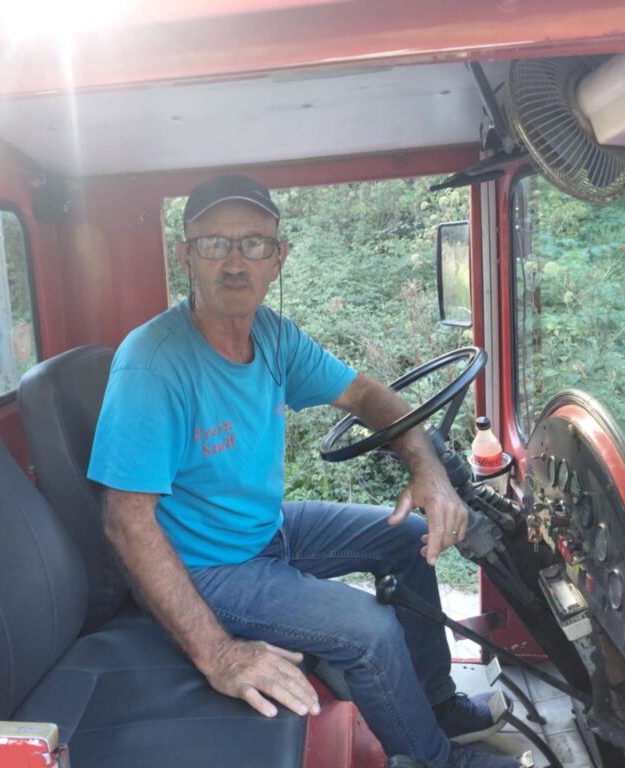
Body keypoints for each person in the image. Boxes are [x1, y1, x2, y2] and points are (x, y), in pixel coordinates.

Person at [88, 174, 523, 768]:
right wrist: (218, 654)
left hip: (265, 528)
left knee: (410, 539)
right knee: (368, 632)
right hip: (207, 565)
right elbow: (125, 521)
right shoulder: (152, 365)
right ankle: (435, 761)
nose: (234, 262)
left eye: (253, 243)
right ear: (186, 256)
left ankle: (435, 704)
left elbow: (367, 395)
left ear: (279, 257)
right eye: (214, 244)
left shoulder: (272, 335)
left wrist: (430, 471)